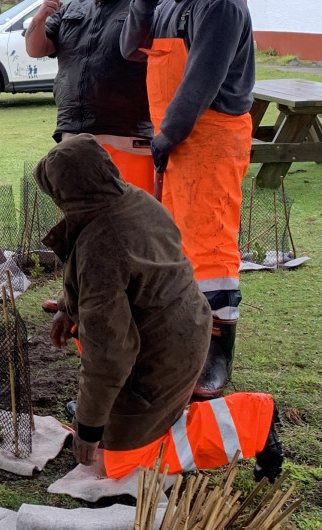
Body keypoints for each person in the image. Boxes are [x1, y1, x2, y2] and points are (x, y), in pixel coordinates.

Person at [35, 136, 280, 482]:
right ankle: (116, 417)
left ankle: (254, 419)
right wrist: (68, 308)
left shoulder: (102, 245)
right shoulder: (132, 199)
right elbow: (105, 277)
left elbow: (110, 354)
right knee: (110, 432)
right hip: (181, 327)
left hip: (166, 353)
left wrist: (89, 429)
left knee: (121, 465)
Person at [122, 0, 255, 398]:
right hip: (175, 141)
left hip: (212, 136)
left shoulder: (218, 4)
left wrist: (168, 134)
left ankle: (218, 352)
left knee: (211, 246)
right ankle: (184, 343)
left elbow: (201, 79)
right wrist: (142, 0)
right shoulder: (172, 5)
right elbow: (129, 49)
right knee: (179, 249)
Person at [24, 0, 155, 193]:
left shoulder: (144, 5)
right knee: (81, 217)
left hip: (126, 134)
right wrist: (40, 17)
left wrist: (146, 1)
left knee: (134, 217)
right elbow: (35, 49)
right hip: (73, 133)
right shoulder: (73, 8)